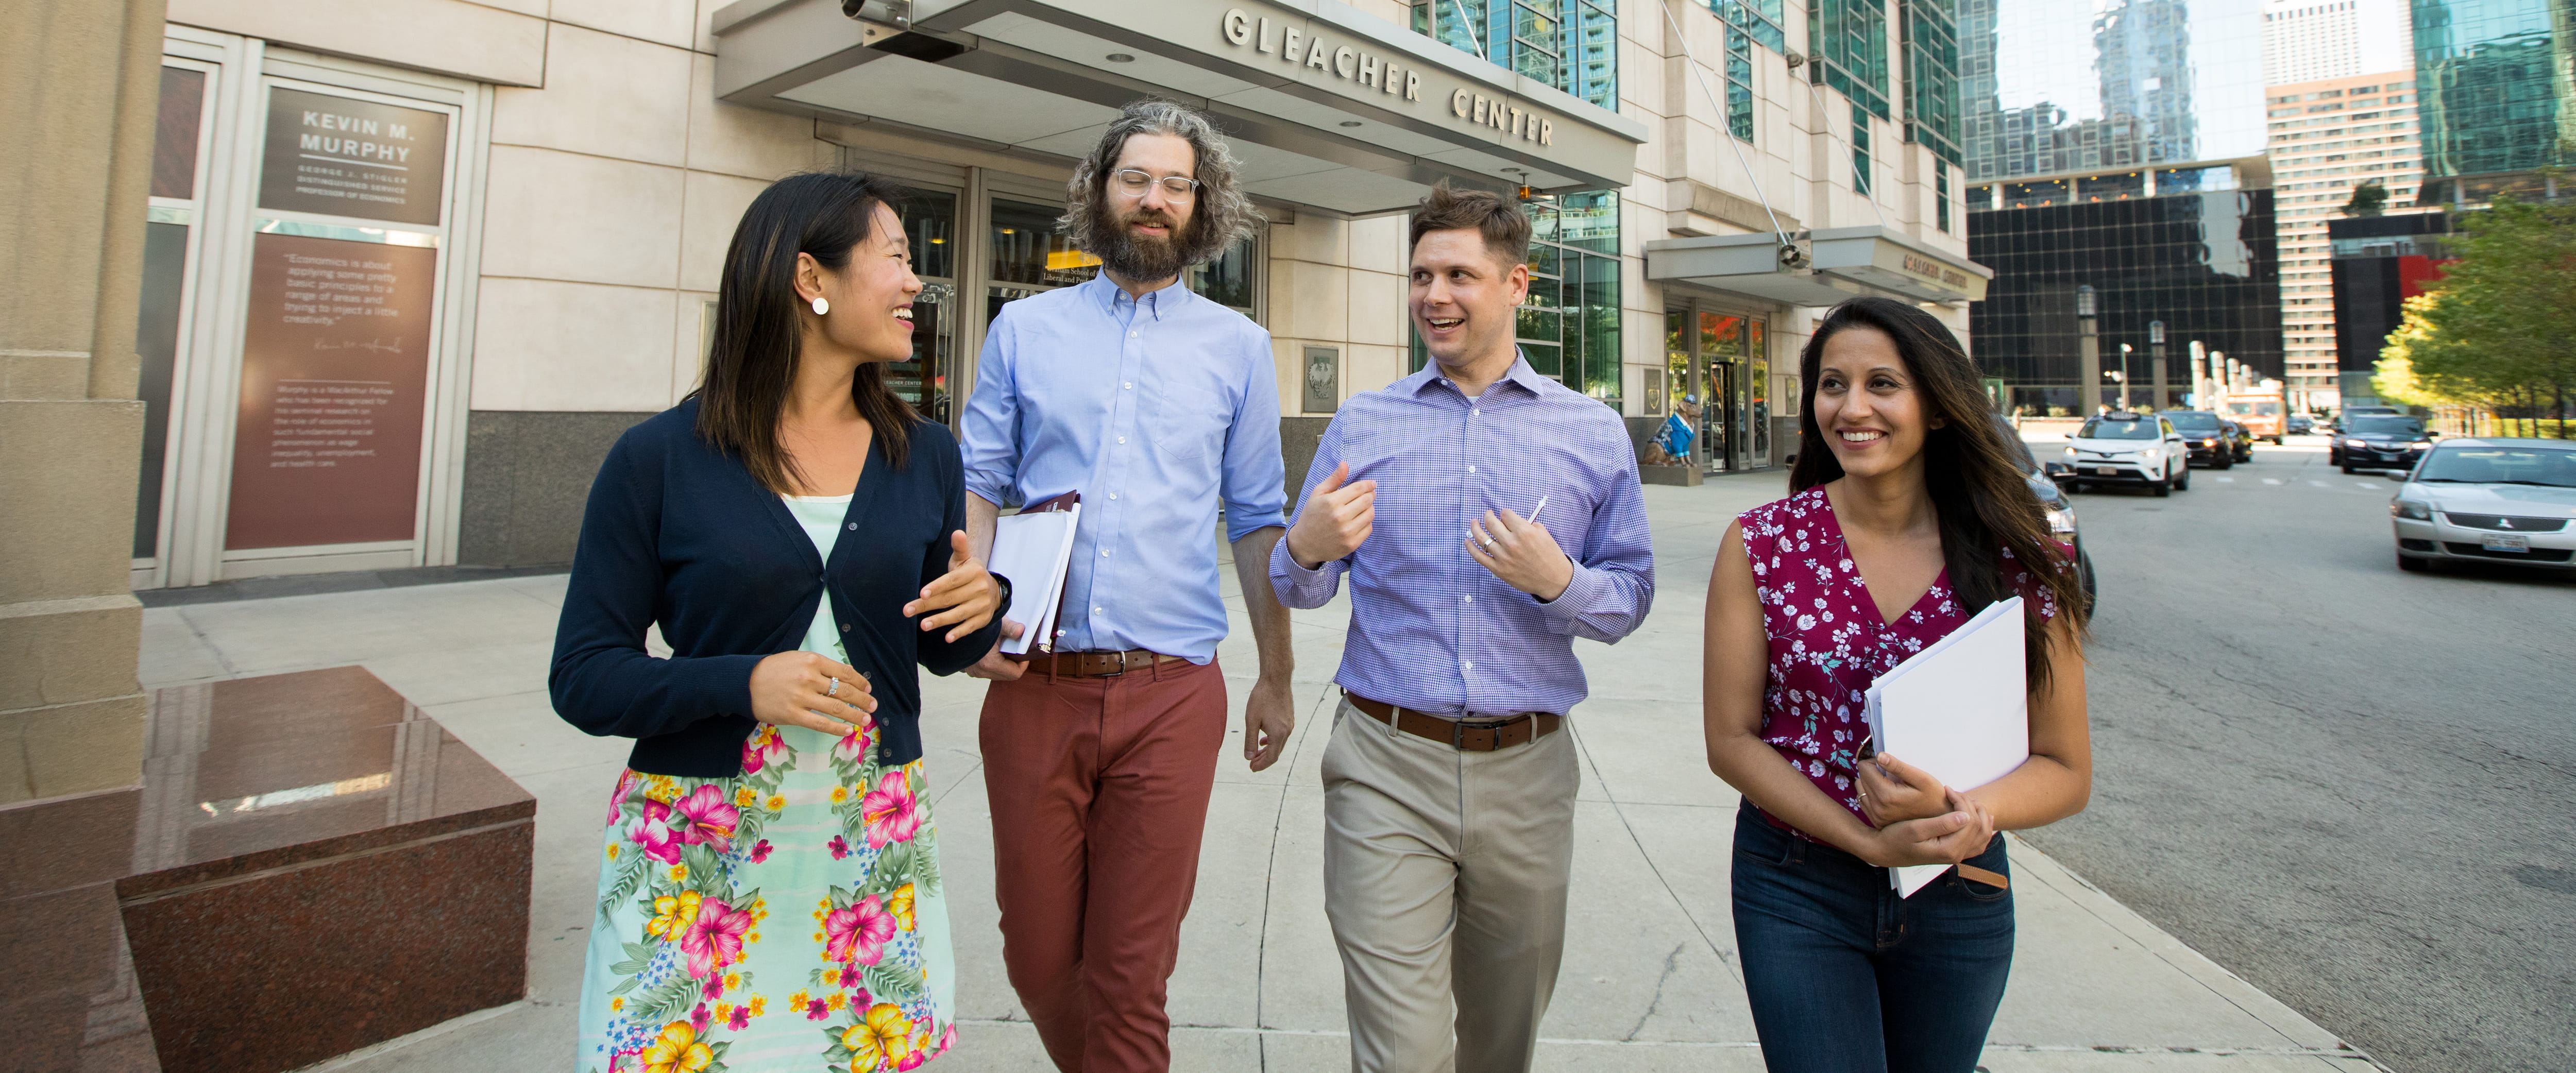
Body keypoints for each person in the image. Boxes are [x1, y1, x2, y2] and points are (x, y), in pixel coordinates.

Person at [553, 172, 1005, 1073]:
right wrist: (743, 682)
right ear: (811, 277)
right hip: (696, 859)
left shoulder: (925, 454)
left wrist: (982, 608)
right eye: (898, 258)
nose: (919, 283)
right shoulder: (658, 460)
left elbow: (936, 646)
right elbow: (585, 675)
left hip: (867, 857)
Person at [1271, 183, 1655, 1073]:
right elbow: (1299, 589)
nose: (1433, 296)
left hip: (1528, 771)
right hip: (1384, 763)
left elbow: (1629, 596)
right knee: (1400, 1055)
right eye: (1420, 275)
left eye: (1458, 275)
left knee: (1499, 1040)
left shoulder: (1591, 433)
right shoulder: (1366, 423)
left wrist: (1559, 583)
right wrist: (1307, 545)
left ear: (1516, 284)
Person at [957, 99, 1293, 1073]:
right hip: (1035, 685)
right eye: (1136, 179)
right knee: (1033, 956)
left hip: (1171, 691)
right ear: (1101, 191)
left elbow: (1257, 517)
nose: (1155, 200)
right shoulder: (1024, 330)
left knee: (1131, 972)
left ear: (1204, 205)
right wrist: (978, 607)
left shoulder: (1239, 348)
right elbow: (981, 477)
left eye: (1176, 185)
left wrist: (1276, 672)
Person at [1700, 296, 2093, 1073]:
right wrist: (1864, 841)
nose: (1852, 408)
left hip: (1961, 886)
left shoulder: (2020, 559)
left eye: (1884, 384)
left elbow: (2066, 770)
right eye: (1831, 385)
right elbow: (1731, 740)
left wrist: (1967, 814)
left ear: (1938, 407)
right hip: (1796, 882)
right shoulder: (1763, 545)